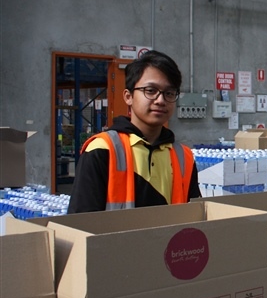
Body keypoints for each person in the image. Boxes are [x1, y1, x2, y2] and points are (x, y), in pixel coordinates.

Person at [68, 50, 201, 213]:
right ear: (128, 96)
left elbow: (194, 216)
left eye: (169, 93)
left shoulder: (183, 157)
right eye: (150, 90)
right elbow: (80, 222)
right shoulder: (102, 150)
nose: (160, 100)